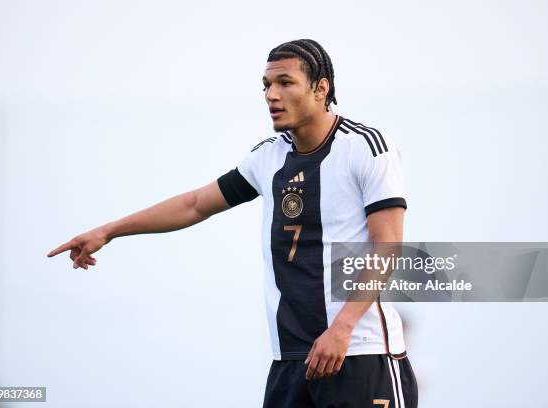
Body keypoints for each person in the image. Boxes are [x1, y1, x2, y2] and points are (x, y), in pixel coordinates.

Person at [47, 39, 418, 408]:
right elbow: (194, 205)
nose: (271, 95)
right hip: (290, 363)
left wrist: (342, 328)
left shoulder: (367, 147)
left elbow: (387, 246)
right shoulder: (267, 157)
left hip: (359, 353)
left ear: (321, 88)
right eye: (266, 85)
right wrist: (108, 231)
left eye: (285, 83)